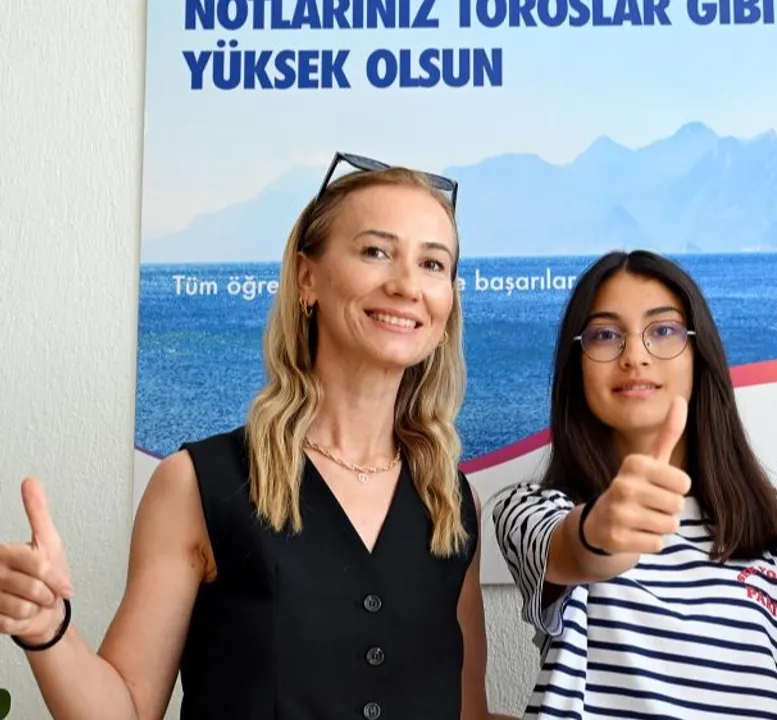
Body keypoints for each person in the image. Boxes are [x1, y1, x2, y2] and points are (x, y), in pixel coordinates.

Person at [0, 152, 514, 720]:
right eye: (375, 251)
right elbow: (126, 709)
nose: (407, 285)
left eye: (433, 264)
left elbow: (469, 714)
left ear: (448, 307)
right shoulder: (196, 485)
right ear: (307, 278)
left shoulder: (453, 503)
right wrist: (48, 631)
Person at [491, 249, 777, 719]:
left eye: (663, 330)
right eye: (605, 335)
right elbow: (571, 551)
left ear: (700, 355)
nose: (635, 356)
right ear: (576, 366)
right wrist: (601, 533)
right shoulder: (530, 510)